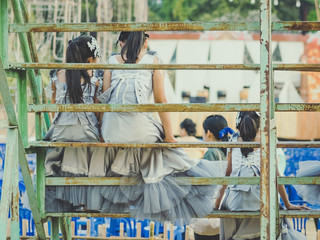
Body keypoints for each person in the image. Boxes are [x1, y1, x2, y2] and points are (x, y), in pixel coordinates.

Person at [94, 31, 224, 223]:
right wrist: (170, 136)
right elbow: (160, 100)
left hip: (111, 129)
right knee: (164, 143)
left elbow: (103, 100)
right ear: (145, 42)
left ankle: (138, 183)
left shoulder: (110, 61)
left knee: (142, 139)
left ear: (121, 43)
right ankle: (160, 185)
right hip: (138, 128)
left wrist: (102, 132)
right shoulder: (154, 61)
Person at [215, 111, 309, 240]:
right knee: (275, 215)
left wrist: (217, 204)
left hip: (235, 202)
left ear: (239, 125)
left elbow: (227, 174)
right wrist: (287, 204)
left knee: (228, 206)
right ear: (259, 125)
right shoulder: (268, 140)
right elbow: (276, 175)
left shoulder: (233, 140)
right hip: (261, 201)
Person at [44, 35, 103, 212]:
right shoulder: (94, 77)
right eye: (95, 58)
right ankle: (88, 201)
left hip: (61, 130)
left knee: (53, 146)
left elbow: (53, 108)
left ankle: (65, 199)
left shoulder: (57, 74)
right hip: (86, 131)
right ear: (88, 59)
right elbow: (98, 110)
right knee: (99, 149)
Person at [191, 115, 233, 240]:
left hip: (209, 211)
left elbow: (202, 183)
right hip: (224, 211)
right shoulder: (227, 151)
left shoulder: (211, 152)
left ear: (208, 133)